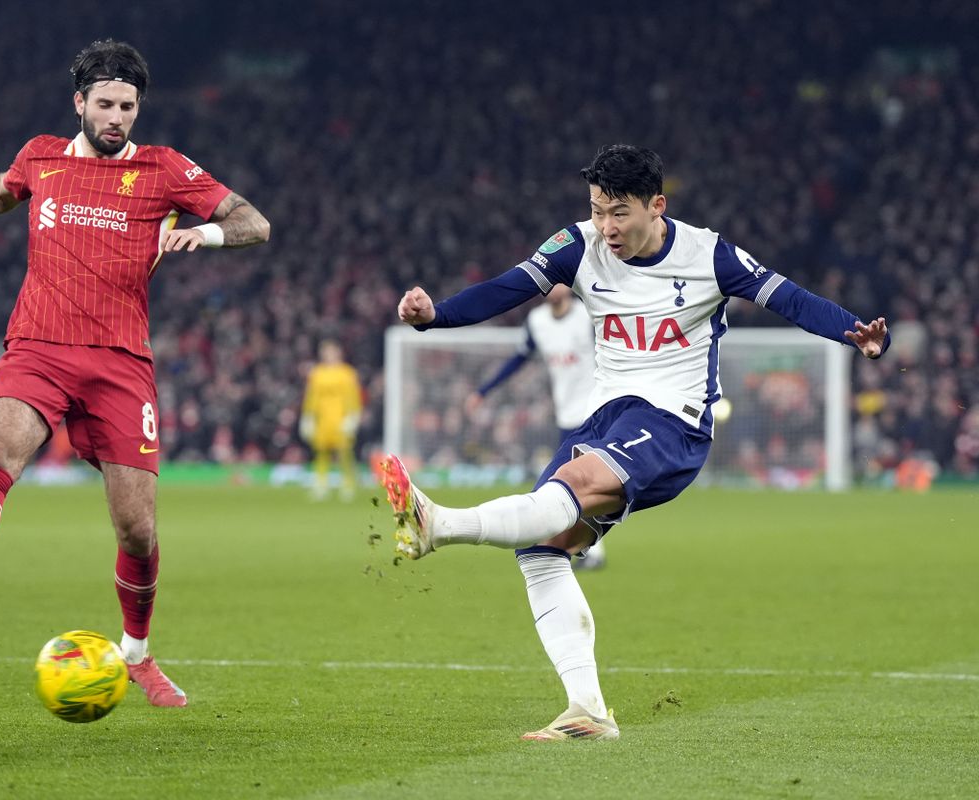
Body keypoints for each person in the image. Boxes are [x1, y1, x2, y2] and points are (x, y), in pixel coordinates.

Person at [375, 144, 888, 741]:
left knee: (571, 487)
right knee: (542, 550)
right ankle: (586, 710)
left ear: (656, 205)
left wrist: (853, 332)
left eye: (619, 213)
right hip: (607, 417)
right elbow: (507, 287)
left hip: (674, 423)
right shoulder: (577, 245)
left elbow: (791, 298)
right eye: (597, 211)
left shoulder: (709, 255)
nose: (606, 227)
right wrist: (436, 314)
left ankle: (437, 525)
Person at [0, 40, 270, 708]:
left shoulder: (163, 170)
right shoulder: (40, 155)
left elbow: (254, 223)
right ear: (80, 103)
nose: (117, 116)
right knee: (2, 446)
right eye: (105, 104)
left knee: (137, 529)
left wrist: (203, 235)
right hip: (38, 342)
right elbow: (1, 194)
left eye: (127, 105)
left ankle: (136, 654)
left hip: (120, 360)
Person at [464, 283, 607, 569]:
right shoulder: (537, 322)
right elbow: (519, 359)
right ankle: (585, 547)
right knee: (575, 481)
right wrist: (484, 390)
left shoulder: (588, 315)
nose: (555, 287)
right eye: (551, 282)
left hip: (596, 409)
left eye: (561, 281)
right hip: (566, 416)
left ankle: (592, 550)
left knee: (581, 480)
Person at [300, 339, 363, 500]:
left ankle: (348, 484)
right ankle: (321, 484)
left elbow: (353, 396)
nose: (329, 355)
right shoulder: (317, 373)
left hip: (341, 418)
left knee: (344, 452)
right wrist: (308, 417)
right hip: (323, 419)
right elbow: (312, 396)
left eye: (332, 351)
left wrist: (353, 416)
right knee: (321, 452)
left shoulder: (347, 373)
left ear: (338, 353)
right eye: (326, 352)